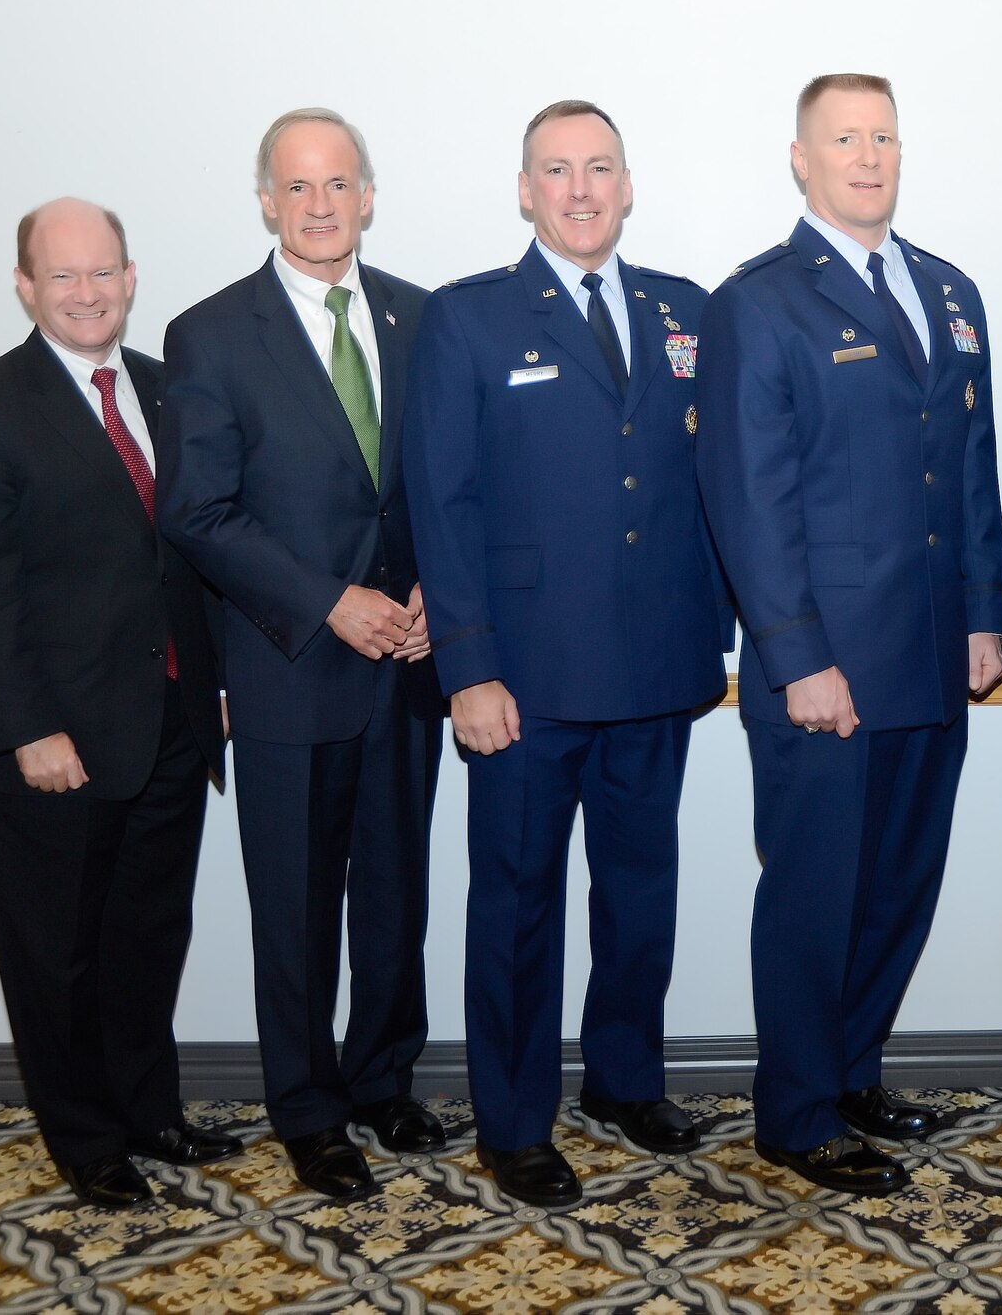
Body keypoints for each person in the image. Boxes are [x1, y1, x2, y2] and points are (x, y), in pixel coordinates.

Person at [403, 100, 731, 1209]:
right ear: (525, 189)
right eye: (558, 170)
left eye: (599, 169)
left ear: (627, 186)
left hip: (657, 669)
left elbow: (713, 488)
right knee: (514, 904)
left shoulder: (685, 313)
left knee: (641, 893)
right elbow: (440, 507)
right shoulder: (470, 321)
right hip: (523, 682)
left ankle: (624, 1080)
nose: (581, 189)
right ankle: (510, 1120)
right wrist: (467, 666)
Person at [696, 73, 1002, 1197]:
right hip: (825, 665)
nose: (867, 155)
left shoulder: (947, 289)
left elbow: (969, 473)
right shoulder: (760, 302)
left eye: (882, 135)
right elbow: (748, 498)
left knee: (895, 884)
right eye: (843, 137)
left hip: (930, 656)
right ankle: (792, 1109)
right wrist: (795, 656)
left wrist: (985, 615)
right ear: (800, 157)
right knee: (814, 891)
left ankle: (851, 1071)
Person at [0, 198, 237, 1209]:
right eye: (63, 276)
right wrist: (28, 728)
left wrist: (214, 685)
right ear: (25, 287)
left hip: (170, 730)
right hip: (50, 746)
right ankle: (87, 1141)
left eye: (103, 272)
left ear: (130, 278)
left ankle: (148, 1114)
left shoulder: (163, 390)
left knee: (148, 938)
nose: (87, 292)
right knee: (56, 956)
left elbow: (187, 557)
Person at [159, 109, 445, 1200]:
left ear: (367, 195)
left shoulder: (423, 320)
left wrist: (432, 591)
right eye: (297, 187)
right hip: (289, 666)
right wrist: (331, 603)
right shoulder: (211, 334)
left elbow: (440, 488)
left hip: (408, 664)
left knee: (395, 895)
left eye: (339, 185)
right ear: (266, 201)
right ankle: (308, 1108)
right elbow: (199, 511)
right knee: (294, 904)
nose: (320, 205)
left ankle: (381, 1079)